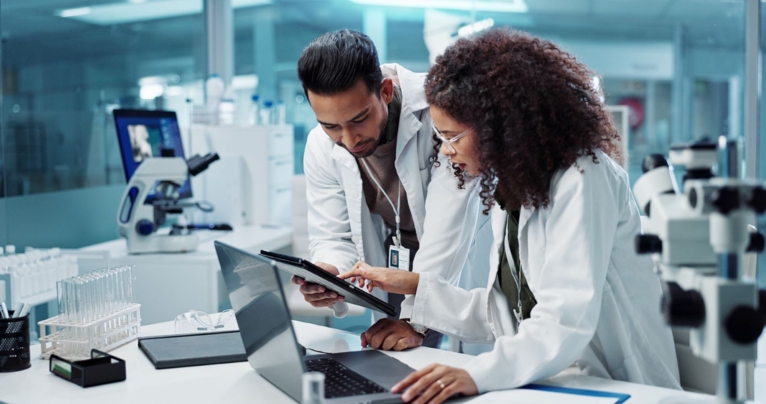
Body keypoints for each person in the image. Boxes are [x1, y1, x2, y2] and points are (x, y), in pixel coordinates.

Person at [339, 29, 681, 403]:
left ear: (498, 128)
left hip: (620, 385)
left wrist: (477, 373)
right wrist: (415, 286)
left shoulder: (584, 176)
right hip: (558, 380)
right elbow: (505, 315)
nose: (446, 151)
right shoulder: (514, 190)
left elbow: (563, 321)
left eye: (452, 136)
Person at [294, 30, 491, 349]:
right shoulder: (320, 145)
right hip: (396, 259)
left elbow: (449, 227)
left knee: (465, 363)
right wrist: (329, 273)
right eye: (331, 125)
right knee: (399, 362)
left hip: (461, 255)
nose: (348, 140)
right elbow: (333, 235)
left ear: (385, 91)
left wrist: (416, 320)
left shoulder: (440, 110)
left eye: (359, 119)